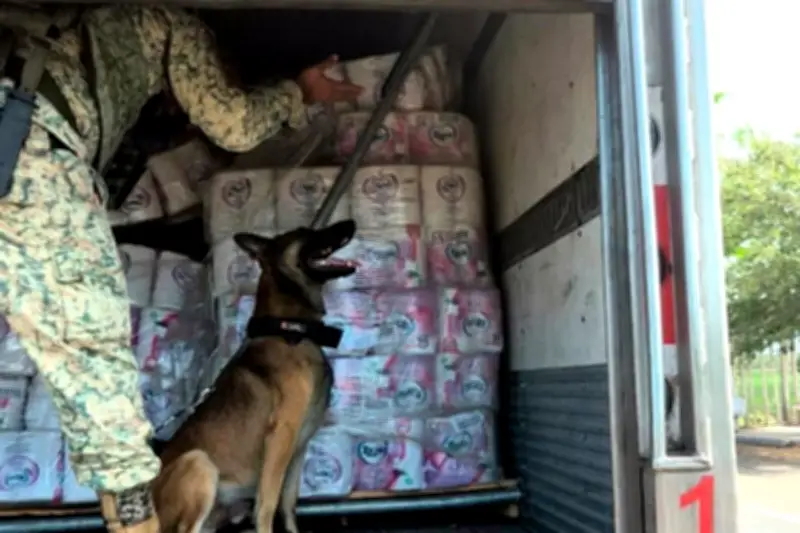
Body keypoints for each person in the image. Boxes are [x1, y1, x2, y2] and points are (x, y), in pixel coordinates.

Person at [0, 4, 362, 533]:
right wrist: (298, 94)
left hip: (21, 134)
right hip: (28, 151)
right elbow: (234, 122)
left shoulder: (64, 27)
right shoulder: (166, 23)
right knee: (96, 362)